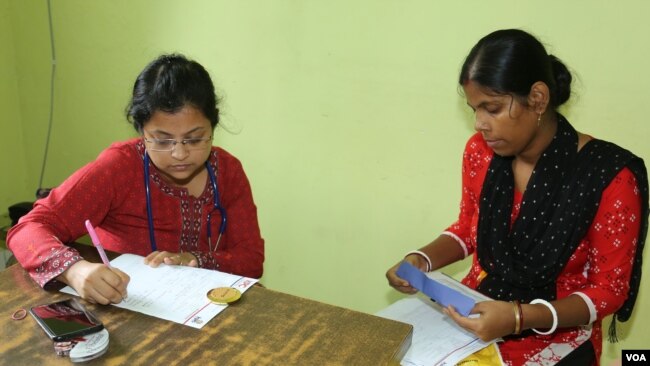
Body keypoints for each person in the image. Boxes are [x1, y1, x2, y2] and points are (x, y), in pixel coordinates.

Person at [386, 29, 648, 365]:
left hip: (558, 332)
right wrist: (420, 260)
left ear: (538, 98)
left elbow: (609, 289)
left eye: (492, 108)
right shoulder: (481, 153)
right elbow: (470, 228)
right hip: (476, 312)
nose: (480, 123)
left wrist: (519, 317)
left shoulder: (609, 176)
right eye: (474, 109)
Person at [8, 54, 265, 305]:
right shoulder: (119, 167)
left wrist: (194, 259)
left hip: (206, 309)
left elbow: (251, 261)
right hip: (129, 310)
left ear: (213, 126)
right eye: (163, 140)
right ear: (141, 130)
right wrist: (75, 271)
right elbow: (27, 229)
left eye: (195, 139)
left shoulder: (228, 171)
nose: (179, 154)